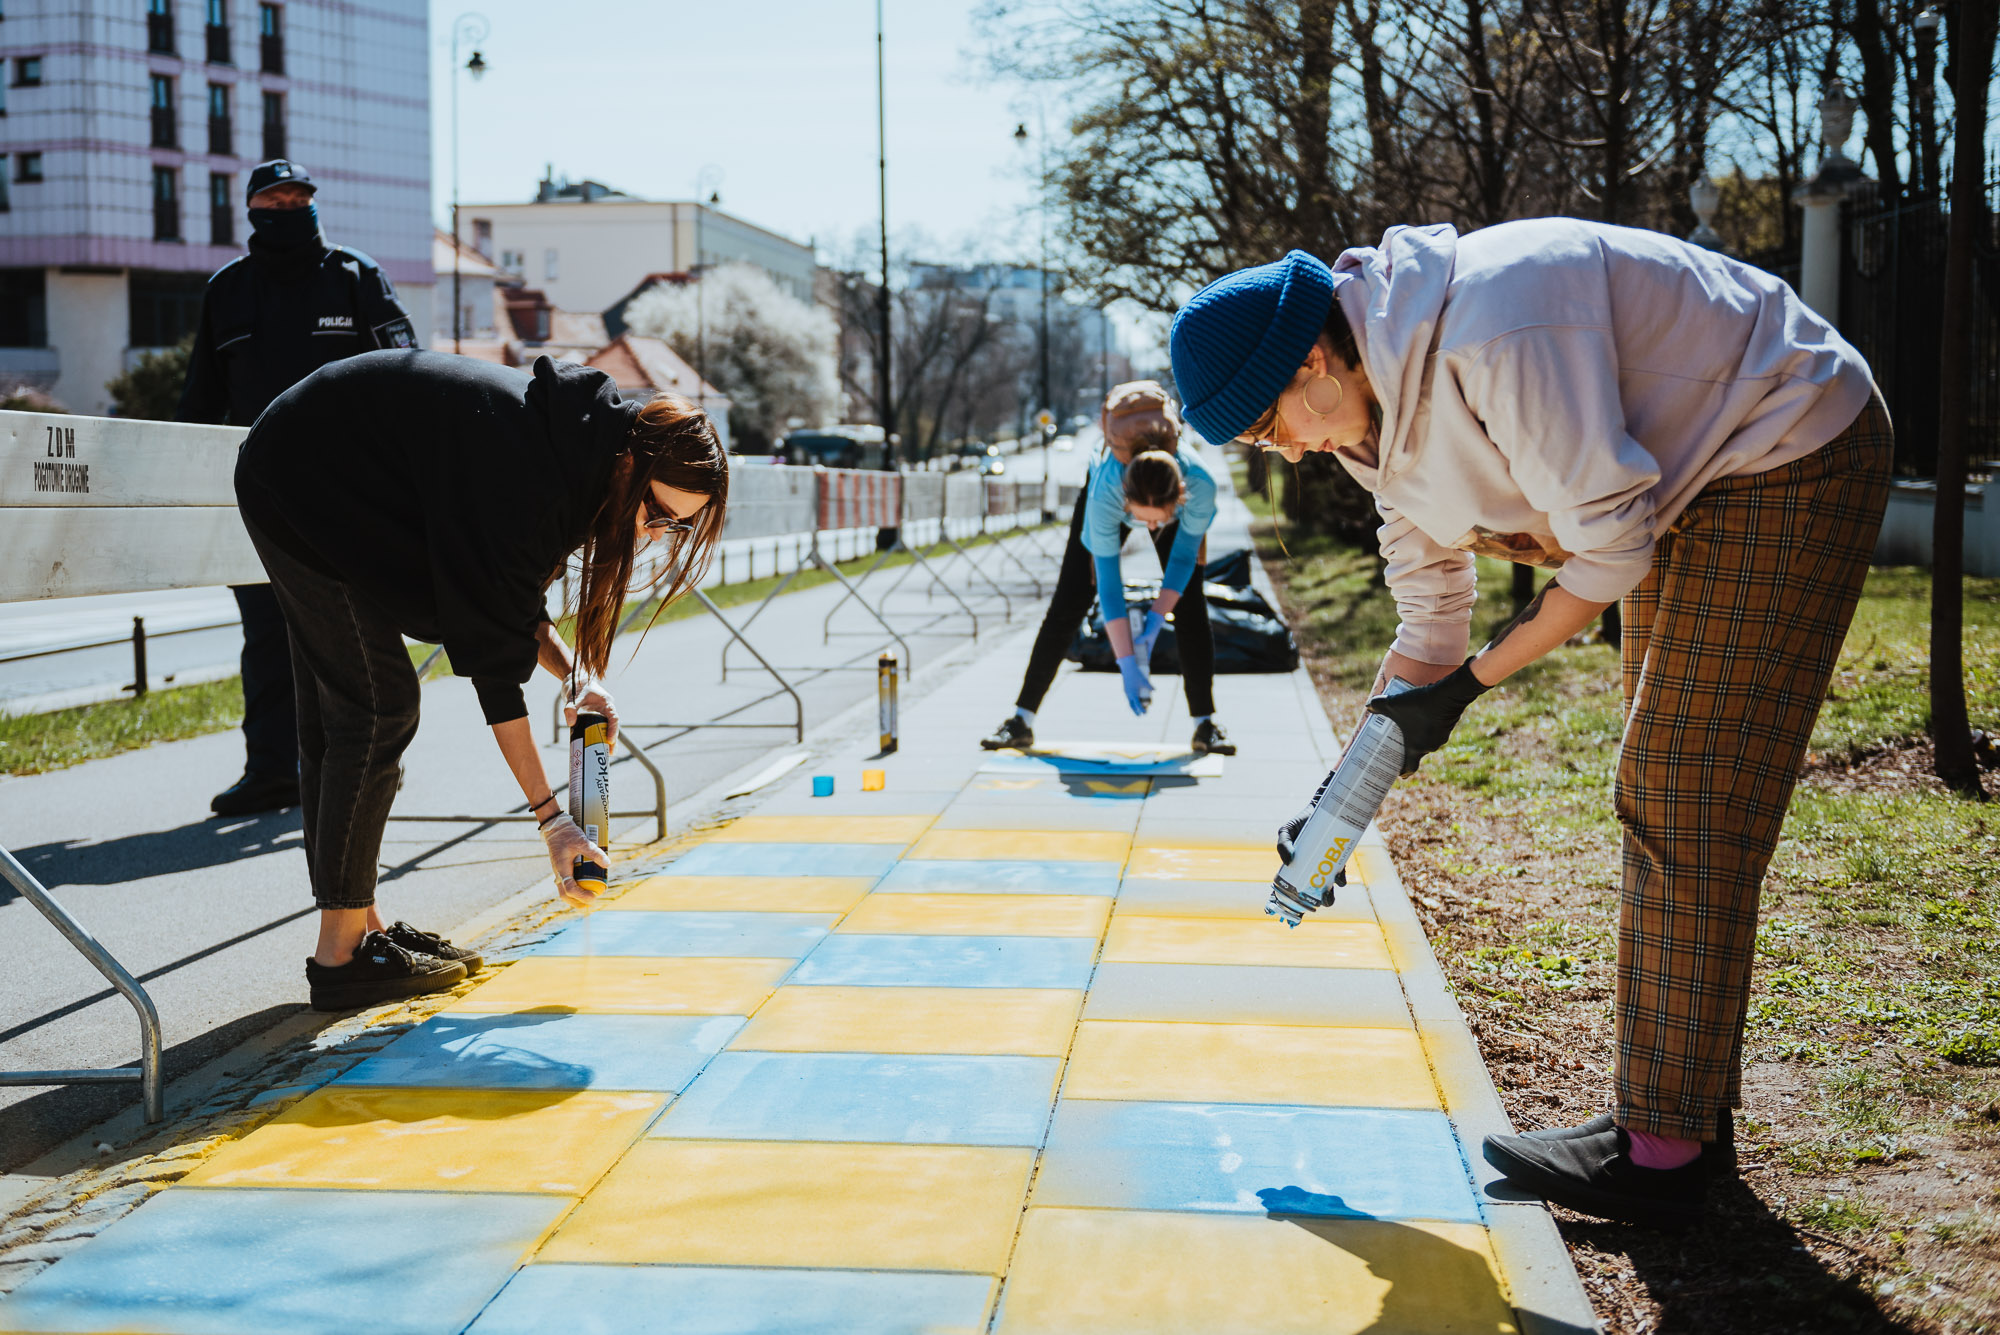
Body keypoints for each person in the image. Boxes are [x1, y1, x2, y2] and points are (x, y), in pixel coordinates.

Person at [1168, 221, 1887, 1226]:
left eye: (1266, 427)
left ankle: (1666, 1151)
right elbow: (1427, 626)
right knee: (1667, 788)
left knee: (1678, 785)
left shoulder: (1492, 329)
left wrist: (1468, 685)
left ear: (1315, 361)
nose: (1282, 452)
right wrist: (1337, 800)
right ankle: (1667, 1120)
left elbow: (1607, 554)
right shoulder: (1375, 425)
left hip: (1786, 439)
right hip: (1684, 488)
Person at [234, 349, 727, 1011]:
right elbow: (496, 672)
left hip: (324, 466)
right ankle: (342, 950)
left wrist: (577, 676)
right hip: (300, 471)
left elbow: (508, 603)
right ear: (634, 469)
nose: (660, 535)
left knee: (347, 711)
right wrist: (554, 822)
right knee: (378, 706)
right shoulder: (538, 471)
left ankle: (359, 926)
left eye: (679, 527)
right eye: (660, 516)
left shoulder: (584, 452)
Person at [179, 159, 419, 818]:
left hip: (350, 496)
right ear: (252, 209)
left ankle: (366, 765)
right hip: (257, 496)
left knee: (350, 636)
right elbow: (200, 400)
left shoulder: (356, 277)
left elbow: (406, 373)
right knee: (265, 637)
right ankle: (271, 771)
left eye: (300, 197)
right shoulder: (227, 291)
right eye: (276, 199)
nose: (290, 207)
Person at [980, 380, 1236, 755]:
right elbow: (1108, 585)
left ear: (1178, 500)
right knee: (1069, 602)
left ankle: (1205, 725)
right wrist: (1128, 663)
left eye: (1156, 522)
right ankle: (1021, 719)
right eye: (1142, 519)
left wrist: (1154, 621)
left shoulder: (1199, 487)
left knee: (1191, 605)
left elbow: (1182, 561)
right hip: (1108, 490)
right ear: (1126, 502)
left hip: (1162, 494)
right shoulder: (1106, 495)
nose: (1149, 529)